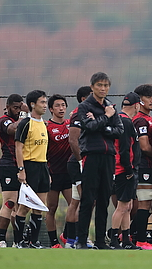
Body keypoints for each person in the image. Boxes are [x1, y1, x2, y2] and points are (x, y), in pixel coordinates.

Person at [75, 72, 124, 250]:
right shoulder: (84, 106)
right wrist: (106, 118)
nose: (103, 89)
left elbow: (119, 130)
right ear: (92, 87)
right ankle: (81, 240)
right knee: (88, 199)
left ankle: (100, 241)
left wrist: (103, 124)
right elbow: (90, 126)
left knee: (104, 199)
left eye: (106, 85)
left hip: (109, 156)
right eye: (99, 85)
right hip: (91, 155)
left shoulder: (110, 106)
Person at [14, 89, 50, 249]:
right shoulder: (25, 123)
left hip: (42, 167)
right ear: (32, 104)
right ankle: (18, 241)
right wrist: (21, 169)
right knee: (25, 207)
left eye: (45, 102)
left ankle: (33, 241)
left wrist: (47, 171)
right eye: (42, 102)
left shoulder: (43, 123)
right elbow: (18, 147)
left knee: (40, 206)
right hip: (30, 166)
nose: (45, 105)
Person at [110, 92, 142, 250]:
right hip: (123, 170)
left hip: (123, 169)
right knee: (122, 206)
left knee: (128, 206)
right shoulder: (125, 121)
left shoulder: (121, 119)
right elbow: (124, 148)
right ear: (136, 105)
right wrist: (129, 169)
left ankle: (126, 239)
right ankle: (114, 239)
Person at [0, 93, 27, 247]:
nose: (17, 111)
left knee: (19, 206)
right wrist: (23, 114)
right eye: (15, 108)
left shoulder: (23, 120)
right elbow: (13, 129)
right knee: (9, 202)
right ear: (7, 107)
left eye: (20, 108)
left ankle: (17, 241)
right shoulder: (3, 121)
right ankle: (1, 240)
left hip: (24, 166)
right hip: (8, 165)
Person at [131, 83, 152, 250]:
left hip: (150, 166)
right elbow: (144, 146)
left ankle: (129, 234)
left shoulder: (149, 118)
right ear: (139, 100)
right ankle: (141, 240)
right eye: (148, 97)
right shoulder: (140, 120)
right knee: (144, 203)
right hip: (143, 166)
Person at [64, 85, 92, 248]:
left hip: (77, 162)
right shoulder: (79, 114)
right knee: (84, 201)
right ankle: (78, 238)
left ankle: (71, 239)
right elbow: (73, 140)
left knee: (76, 201)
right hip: (78, 163)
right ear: (83, 99)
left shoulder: (82, 113)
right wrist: (81, 161)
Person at [45, 94, 72, 248]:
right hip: (53, 174)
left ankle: (67, 235)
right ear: (51, 109)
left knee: (74, 205)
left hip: (68, 174)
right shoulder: (47, 127)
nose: (61, 108)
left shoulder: (70, 124)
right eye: (57, 106)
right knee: (52, 208)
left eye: (63, 105)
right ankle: (53, 242)